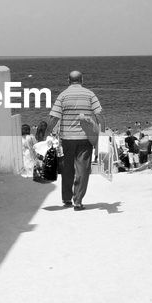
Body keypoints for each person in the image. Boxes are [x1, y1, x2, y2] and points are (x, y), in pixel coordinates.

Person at [43, 71, 104, 210]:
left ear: (68, 80)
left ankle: (66, 199)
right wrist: (103, 132)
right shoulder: (90, 94)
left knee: (67, 169)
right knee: (83, 169)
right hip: (85, 138)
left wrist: (47, 133)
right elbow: (99, 115)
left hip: (67, 139)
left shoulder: (62, 95)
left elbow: (54, 118)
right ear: (82, 79)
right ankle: (78, 201)